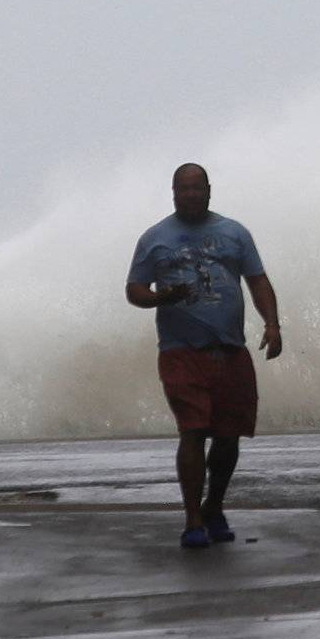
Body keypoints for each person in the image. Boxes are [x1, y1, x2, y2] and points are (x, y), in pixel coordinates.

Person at [126, 164, 281, 548]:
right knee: (193, 431)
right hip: (180, 351)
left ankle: (214, 505)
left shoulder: (234, 233)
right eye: (184, 189)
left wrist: (273, 325)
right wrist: (162, 297)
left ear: (209, 190)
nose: (191, 195)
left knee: (228, 438)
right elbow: (134, 290)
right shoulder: (155, 239)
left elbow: (257, 280)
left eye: (198, 188)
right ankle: (193, 518)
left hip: (229, 349)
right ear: (173, 192)